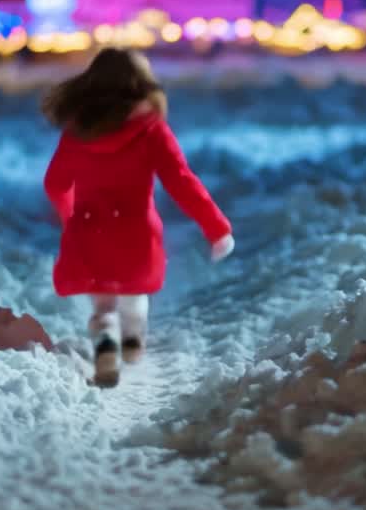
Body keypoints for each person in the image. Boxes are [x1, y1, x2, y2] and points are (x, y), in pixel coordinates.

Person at [42, 48, 233, 388]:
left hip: (90, 229)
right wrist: (216, 227)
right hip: (136, 232)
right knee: (134, 292)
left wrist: (68, 214)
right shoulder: (151, 130)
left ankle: (106, 340)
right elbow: (181, 181)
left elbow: (55, 183)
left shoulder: (77, 131)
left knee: (102, 303)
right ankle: (132, 336)